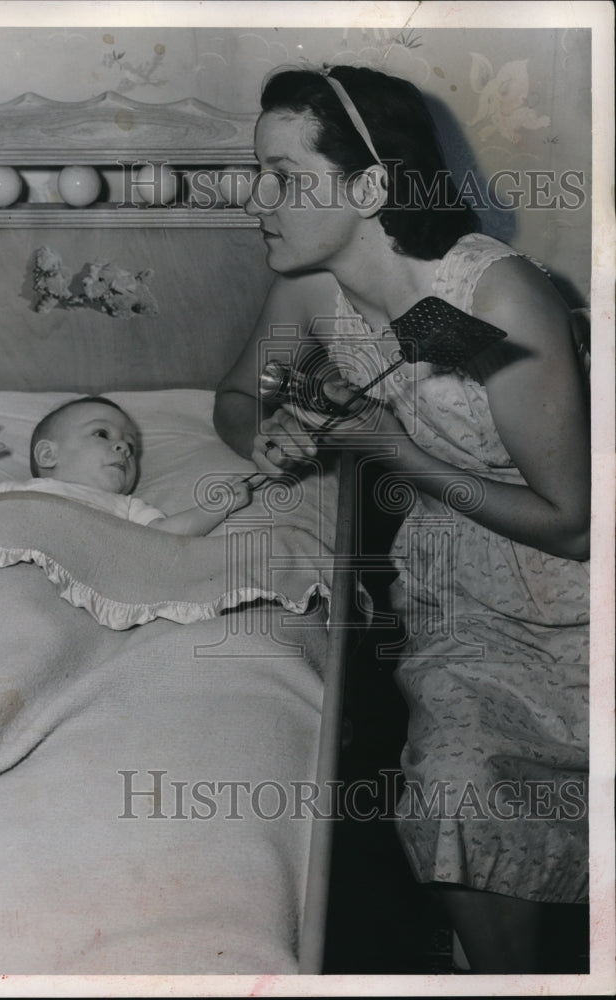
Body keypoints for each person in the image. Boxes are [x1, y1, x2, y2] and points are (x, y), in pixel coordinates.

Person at [213, 64, 590, 973]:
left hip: (582, 593)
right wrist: (264, 433)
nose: (259, 200)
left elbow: (576, 525)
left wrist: (392, 450)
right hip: (465, 600)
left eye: (286, 177)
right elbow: (234, 397)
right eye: (257, 172)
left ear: (371, 186)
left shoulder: (495, 296)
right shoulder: (309, 290)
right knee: (448, 786)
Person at [0, 397, 250, 535]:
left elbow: (168, 535)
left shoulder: (126, 508)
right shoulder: (18, 493)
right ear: (48, 456)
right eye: (102, 433)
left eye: (131, 446)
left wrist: (217, 507)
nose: (124, 447)